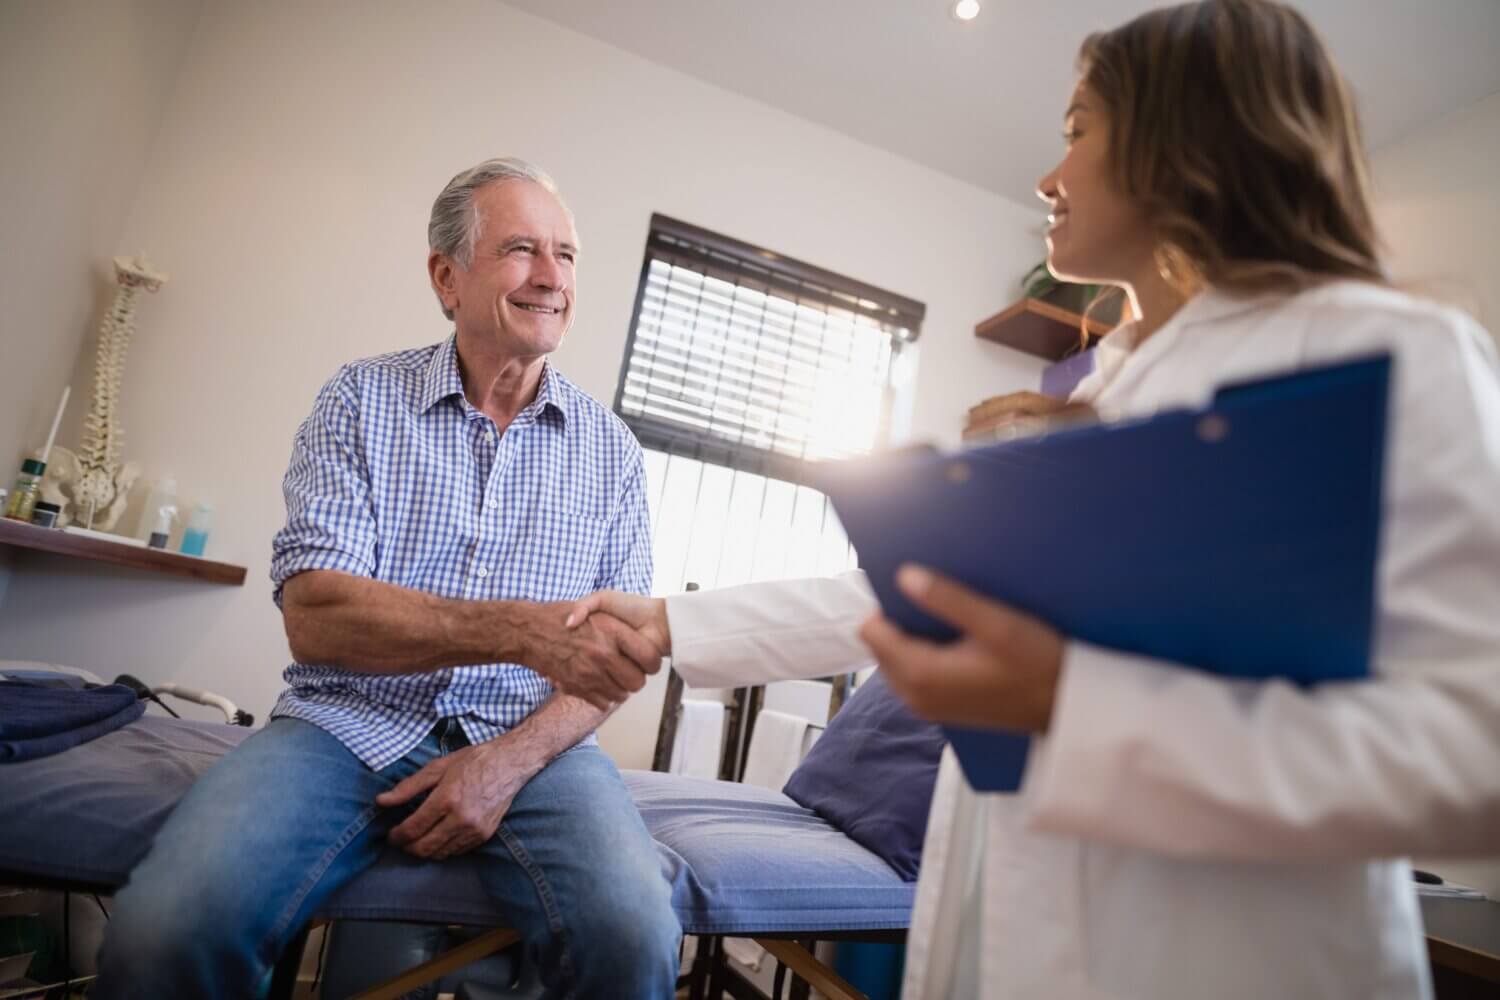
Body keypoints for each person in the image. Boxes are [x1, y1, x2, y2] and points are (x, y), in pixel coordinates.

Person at [568, 2, 1500, 997]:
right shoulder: (1101, 393)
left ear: (1184, 136)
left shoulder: (1389, 354)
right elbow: (905, 593)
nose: (1048, 176)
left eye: (1076, 129)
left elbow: (1476, 746)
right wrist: (674, 619)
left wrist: (1073, 703)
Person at [95, 158, 681, 999]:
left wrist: (504, 764)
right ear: (448, 276)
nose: (552, 277)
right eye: (521, 250)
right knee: (168, 930)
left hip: (536, 745)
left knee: (634, 939)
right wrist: (518, 630)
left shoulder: (613, 453)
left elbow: (609, 665)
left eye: (567, 254)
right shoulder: (361, 400)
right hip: (344, 724)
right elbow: (319, 615)